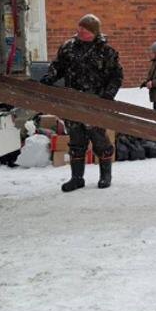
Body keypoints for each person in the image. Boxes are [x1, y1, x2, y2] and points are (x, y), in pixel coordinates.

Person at [41, 14, 123, 191]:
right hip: (73, 102)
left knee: (99, 140)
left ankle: (105, 176)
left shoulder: (106, 52)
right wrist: (50, 77)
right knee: (76, 140)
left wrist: (108, 94)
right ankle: (77, 178)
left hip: (96, 103)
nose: (80, 32)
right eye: (79, 28)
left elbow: (116, 76)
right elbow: (58, 67)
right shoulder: (68, 48)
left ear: (93, 32)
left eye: (84, 30)